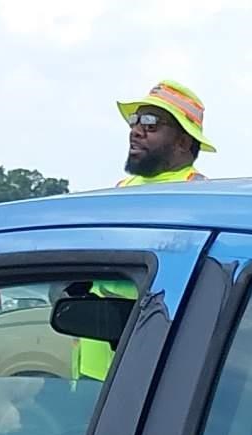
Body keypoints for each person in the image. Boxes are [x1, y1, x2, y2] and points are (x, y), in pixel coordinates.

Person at [76, 82, 214, 379]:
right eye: (135, 120)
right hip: (92, 365)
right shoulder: (120, 190)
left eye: (151, 123)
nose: (136, 130)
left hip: (142, 368)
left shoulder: (197, 197)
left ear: (183, 141)